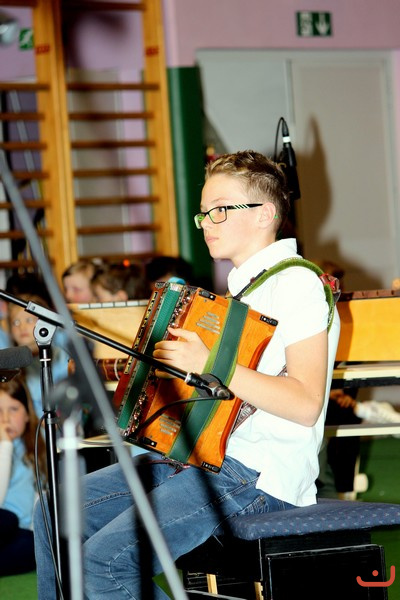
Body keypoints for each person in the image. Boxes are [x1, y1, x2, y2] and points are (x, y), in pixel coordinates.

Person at [33, 150, 340, 599]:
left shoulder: (298, 284)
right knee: (54, 511)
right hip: (200, 459)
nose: (207, 222)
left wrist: (211, 363)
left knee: (105, 564)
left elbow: (306, 404)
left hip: (255, 474)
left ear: (265, 214)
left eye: (220, 209)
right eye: (204, 213)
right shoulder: (242, 290)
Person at [0, 375, 47, 576]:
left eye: (13, 409)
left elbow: (40, 494)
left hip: (18, 533)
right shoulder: (3, 449)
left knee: (34, 545)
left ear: (27, 414)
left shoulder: (36, 447)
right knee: (7, 519)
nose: (5, 418)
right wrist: (5, 446)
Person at [8, 293, 70, 420]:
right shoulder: (11, 364)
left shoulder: (62, 357)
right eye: (16, 322)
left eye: (29, 320)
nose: (22, 327)